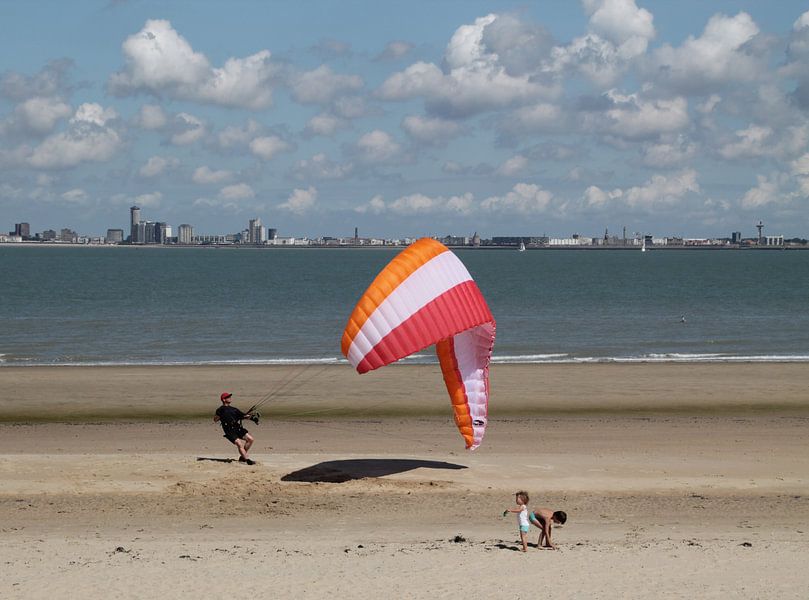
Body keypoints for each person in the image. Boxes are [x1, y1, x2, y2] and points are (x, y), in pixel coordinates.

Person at [213, 392, 256, 465]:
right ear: (223, 400)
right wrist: (220, 415)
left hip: (237, 427)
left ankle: (242, 457)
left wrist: (252, 418)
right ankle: (247, 459)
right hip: (229, 430)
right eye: (228, 397)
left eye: (230, 396)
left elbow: (243, 416)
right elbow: (215, 419)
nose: (230, 398)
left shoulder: (234, 409)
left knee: (250, 439)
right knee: (239, 444)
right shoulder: (220, 409)